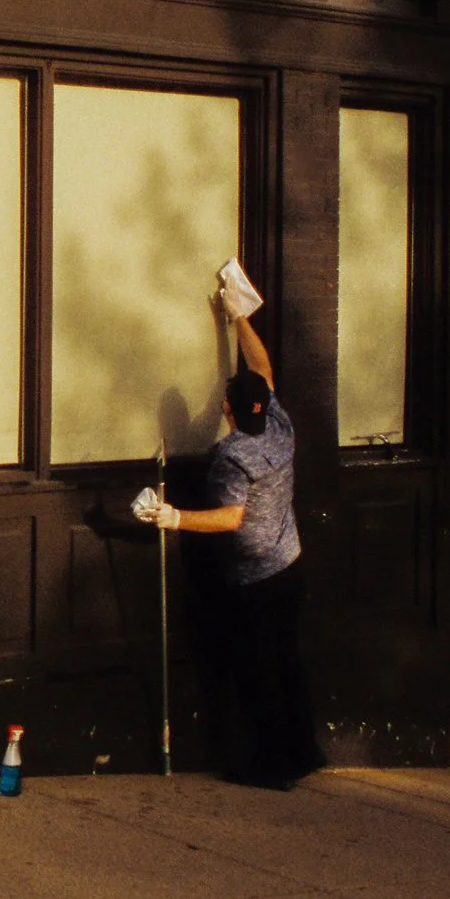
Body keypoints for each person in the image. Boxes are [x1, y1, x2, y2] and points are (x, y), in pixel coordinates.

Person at [134, 281, 324, 789]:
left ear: (227, 412)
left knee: (258, 672)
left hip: (257, 579)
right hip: (290, 564)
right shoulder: (280, 427)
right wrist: (238, 318)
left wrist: (175, 518)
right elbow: (262, 371)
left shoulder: (232, 458)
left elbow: (230, 518)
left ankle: (274, 767)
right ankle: (305, 751)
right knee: (288, 663)